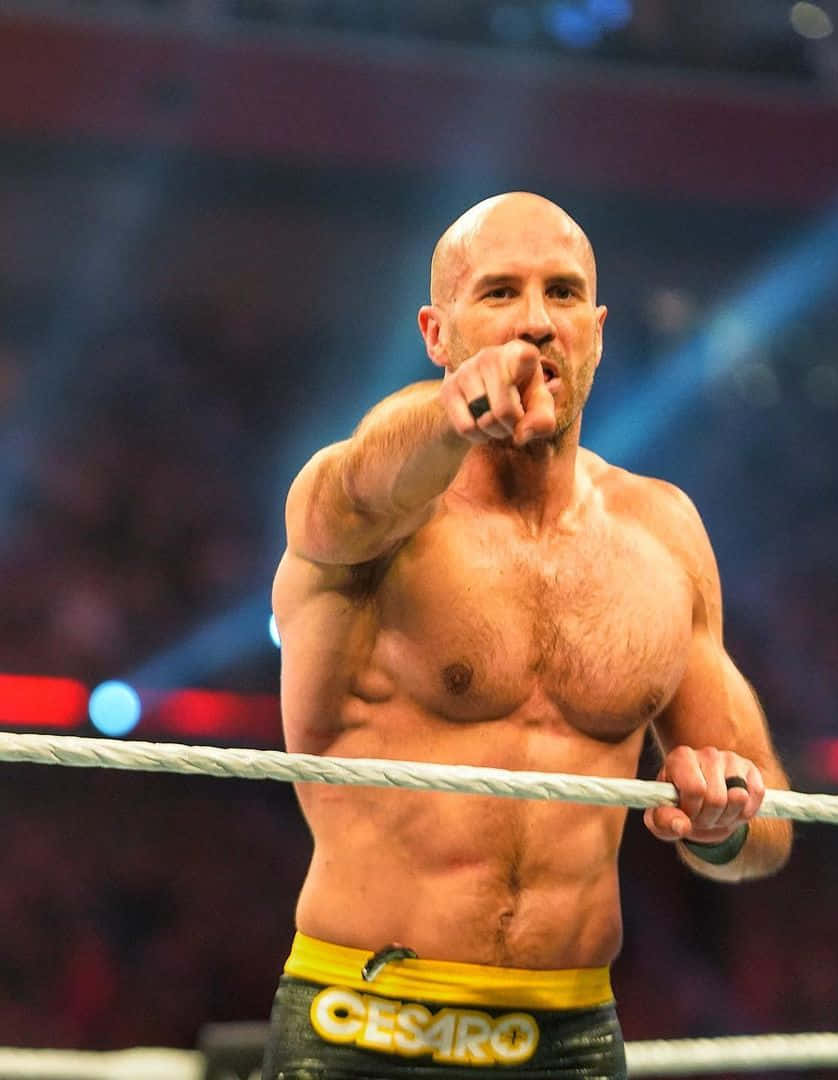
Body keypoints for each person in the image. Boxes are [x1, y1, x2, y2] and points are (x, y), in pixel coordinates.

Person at [263, 192, 792, 1080]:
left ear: (597, 331)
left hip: (570, 1036)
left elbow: (765, 822)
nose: (538, 321)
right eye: (501, 291)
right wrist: (448, 414)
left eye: (564, 292)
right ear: (437, 332)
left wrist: (721, 824)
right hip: (362, 1025)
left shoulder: (663, 534)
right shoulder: (370, 517)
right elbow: (348, 497)